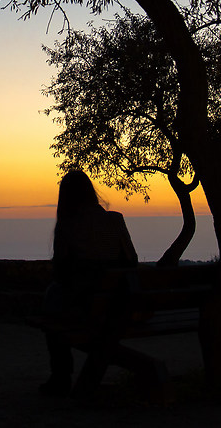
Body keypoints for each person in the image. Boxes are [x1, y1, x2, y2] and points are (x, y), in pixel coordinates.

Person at [40, 169, 138, 395]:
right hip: (119, 307)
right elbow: (131, 260)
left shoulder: (68, 224)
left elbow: (61, 270)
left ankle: (61, 375)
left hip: (87, 308)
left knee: (52, 304)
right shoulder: (115, 219)